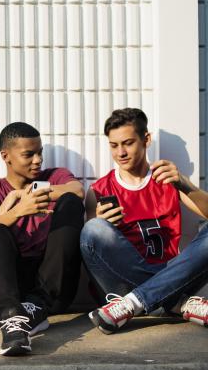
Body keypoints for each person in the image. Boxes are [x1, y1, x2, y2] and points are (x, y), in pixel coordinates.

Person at [81, 108, 208, 334]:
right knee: (93, 229)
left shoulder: (166, 179)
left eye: (128, 143)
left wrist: (185, 185)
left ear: (146, 139)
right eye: (113, 145)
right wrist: (101, 222)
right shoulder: (99, 191)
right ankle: (178, 303)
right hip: (121, 286)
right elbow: (93, 253)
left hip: (167, 274)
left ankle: (136, 303)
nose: (120, 152)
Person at [0, 122, 85, 356]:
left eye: (40, 152)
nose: (38, 160)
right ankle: (13, 320)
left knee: (71, 203)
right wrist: (18, 207)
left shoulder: (55, 176)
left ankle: (38, 306)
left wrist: (30, 192)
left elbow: (77, 191)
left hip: (55, 283)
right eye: (29, 154)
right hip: (18, 286)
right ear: (7, 156)